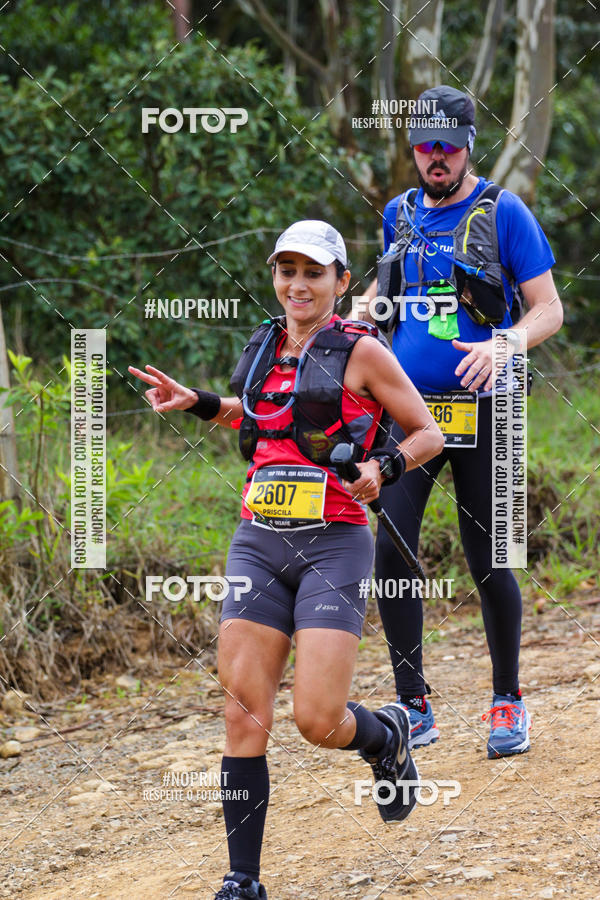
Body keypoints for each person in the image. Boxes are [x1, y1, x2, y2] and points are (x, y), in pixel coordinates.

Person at [129, 220, 444, 900]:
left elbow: (428, 431)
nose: (297, 283)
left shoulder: (363, 352)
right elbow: (263, 415)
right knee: (244, 713)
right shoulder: (268, 342)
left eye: (313, 272)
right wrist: (200, 403)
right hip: (259, 538)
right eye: (286, 270)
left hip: (334, 539)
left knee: (316, 719)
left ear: (340, 282)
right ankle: (243, 879)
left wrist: (383, 466)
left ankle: (384, 734)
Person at [359, 85, 563, 759]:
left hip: (490, 407)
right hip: (412, 412)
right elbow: (389, 291)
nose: (436, 157)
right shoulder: (398, 213)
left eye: (447, 144)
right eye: (425, 145)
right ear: (412, 149)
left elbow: (547, 309)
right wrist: (350, 321)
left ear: (469, 143)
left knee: (490, 558)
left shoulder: (505, 212)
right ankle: (413, 705)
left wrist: (504, 343)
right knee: (390, 547)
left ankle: (507, 700)